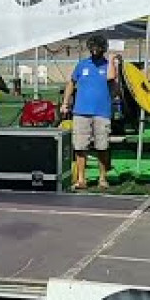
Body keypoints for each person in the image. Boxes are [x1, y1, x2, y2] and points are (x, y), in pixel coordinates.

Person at [60, 33, 121, 190]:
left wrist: (112, 61)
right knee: (80, 146)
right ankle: (81, 179)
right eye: (92, 47)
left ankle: (102, 178)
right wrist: (65, 103)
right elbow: (71, 83)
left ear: (103, 48)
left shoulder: (109, 66)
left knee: (102, 146)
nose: (95, 50)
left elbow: (112, 81)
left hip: (102, 112)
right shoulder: (82, 65)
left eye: (98, 47)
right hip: (81, 111)